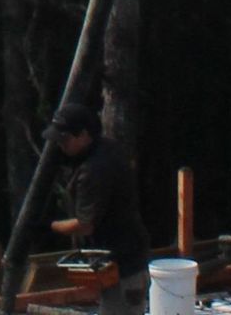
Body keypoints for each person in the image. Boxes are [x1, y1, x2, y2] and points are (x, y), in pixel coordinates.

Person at [45, 105, 148, 315]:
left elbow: (85, 225)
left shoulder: (95, 169)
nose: (60, 145)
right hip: (117, 259)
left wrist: (49, 225)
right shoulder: (105, 149)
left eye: (64, 139)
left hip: (123, 264)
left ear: (83, 135)